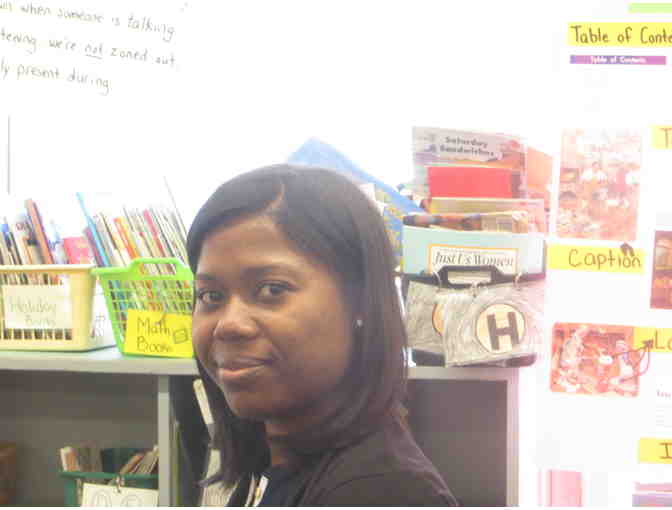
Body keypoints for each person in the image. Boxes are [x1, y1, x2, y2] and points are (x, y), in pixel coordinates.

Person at [187, 164, 457, 506]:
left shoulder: (380, 490)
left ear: (360, 300)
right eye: (211, 296)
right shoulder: (274, 459)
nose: (228, 325)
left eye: (272, 290)